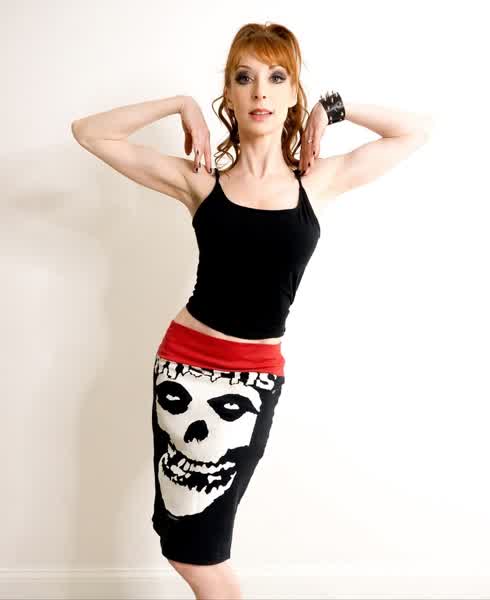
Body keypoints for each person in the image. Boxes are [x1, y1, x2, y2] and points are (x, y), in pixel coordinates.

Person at [71, 21, 432, 600]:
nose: (260, 91)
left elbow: (416, 131)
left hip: (252, 384)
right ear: (230, 96)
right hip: (184, 372)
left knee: (200, 550)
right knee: (188, 548)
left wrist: (332, 110)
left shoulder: (316, 183)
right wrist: (180, 104)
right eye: (244, 78)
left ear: (292, 95)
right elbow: (89, 132)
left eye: (276, 77)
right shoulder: (200, 182)